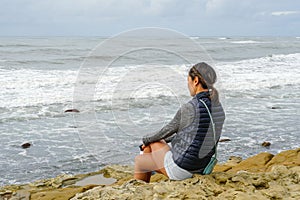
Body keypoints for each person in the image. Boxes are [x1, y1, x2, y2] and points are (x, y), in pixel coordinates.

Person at [134, 62, 225, 182]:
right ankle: (149, 170)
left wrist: (145, 140)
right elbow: (192, 136)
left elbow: (165, 131)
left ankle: (142, 184)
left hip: (184, 169)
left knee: (141, 160)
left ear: (196, 80)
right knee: (154, 143)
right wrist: (160, 140)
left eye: (189, 81)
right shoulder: (219, 108)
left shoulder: (190, 108)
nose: (188, 85)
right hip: (203, 166)